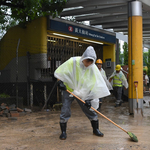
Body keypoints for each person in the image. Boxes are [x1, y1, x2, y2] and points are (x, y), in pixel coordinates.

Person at [54, 46, 110, 140]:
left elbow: (94, 84)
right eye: (87, 61)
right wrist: (60, 82)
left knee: (89, 109)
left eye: (91, 62)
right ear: (83, 58)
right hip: (69, 89)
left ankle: (95, 129)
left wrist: (89, 98)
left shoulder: (93, 68)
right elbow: (60, 72)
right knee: (65, 109)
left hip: (83, 92)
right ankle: (63, 132)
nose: (88, 64)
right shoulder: (73, 61)